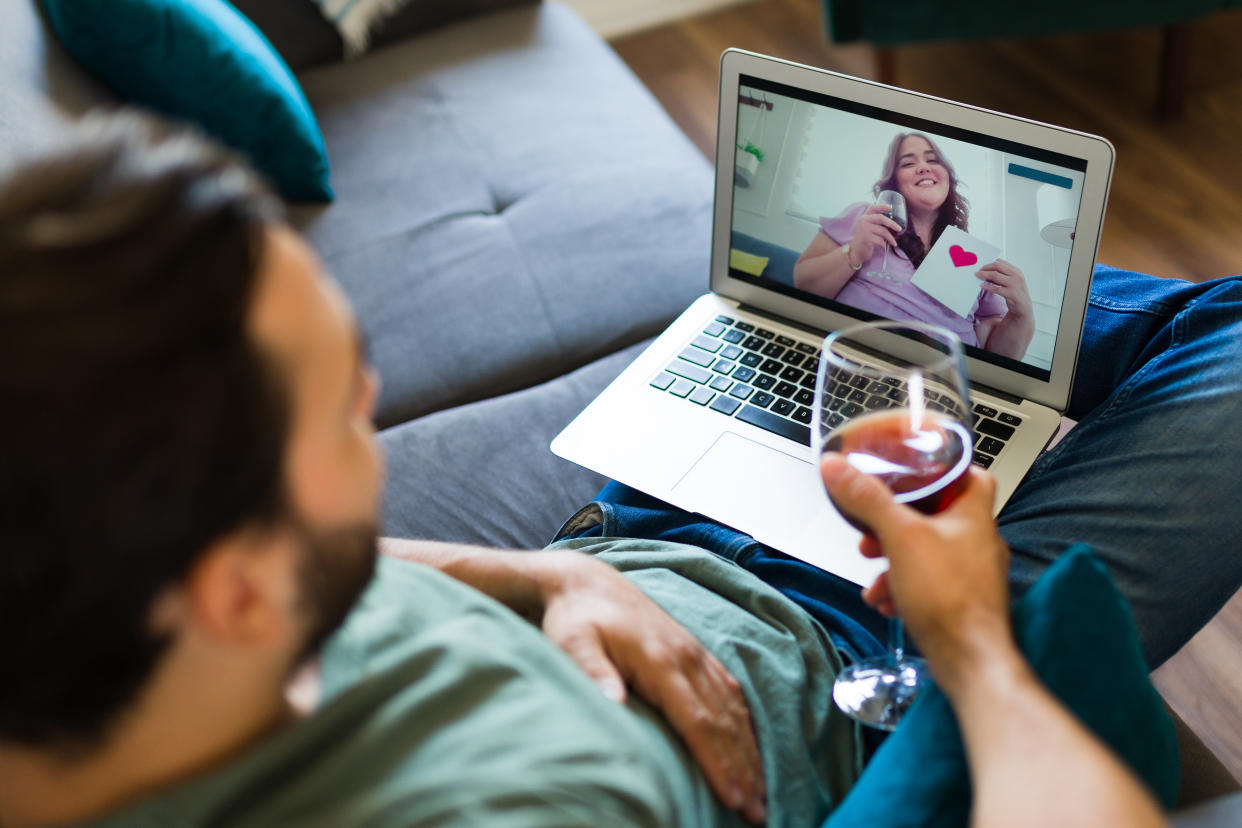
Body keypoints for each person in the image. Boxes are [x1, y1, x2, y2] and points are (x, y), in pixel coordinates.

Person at [1, 114, 1235, 828]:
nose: (372, 404)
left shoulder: (119, 620)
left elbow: (332, 563)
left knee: (841, 326)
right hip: (862, 656)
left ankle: (993, 347)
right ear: (239, 589)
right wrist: (967, 638)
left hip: (617, 547)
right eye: (341, 406)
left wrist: (541, 577)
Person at [793, 132, 1035, 360]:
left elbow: (996, 355)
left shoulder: (976, 257)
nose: (923, 167)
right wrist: (854, 251)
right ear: (894, 182)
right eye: (908, 163)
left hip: (946, 379)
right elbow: (802, 285)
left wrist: (1021, 314)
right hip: (862, 361)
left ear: (947, 177)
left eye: (933, 160)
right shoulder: (864, 218)